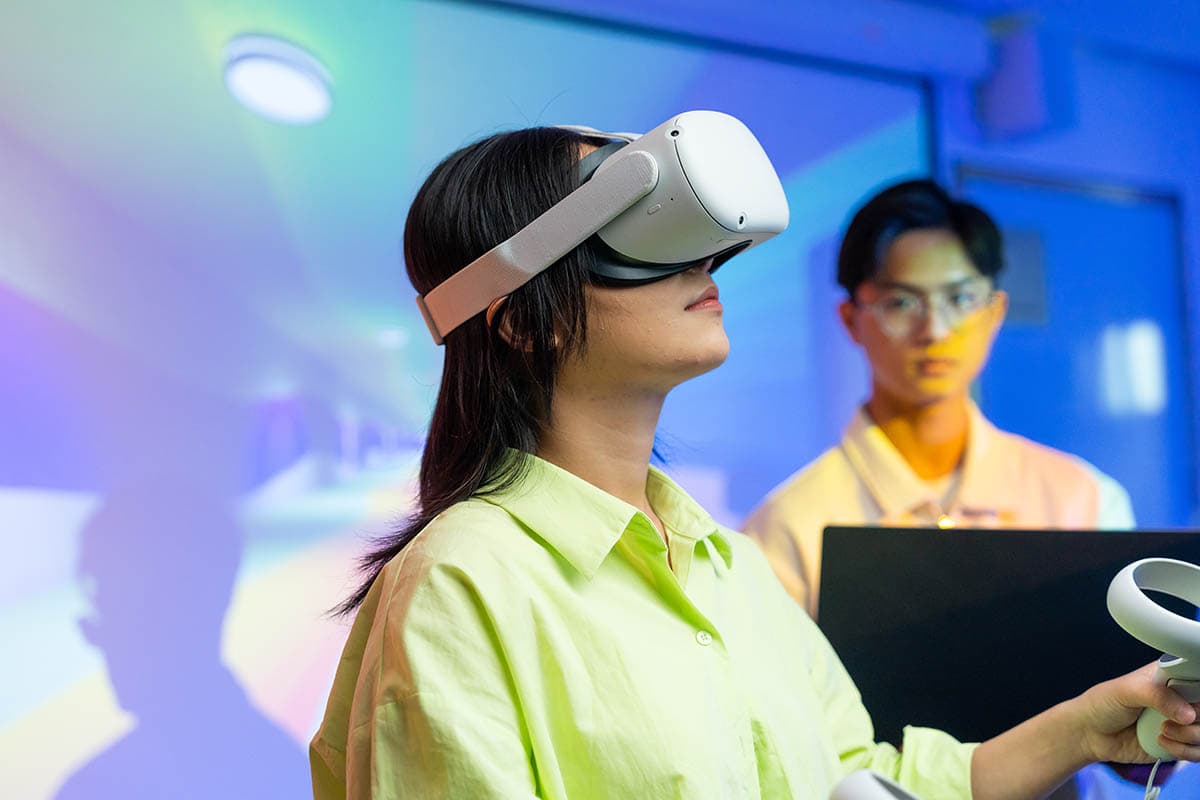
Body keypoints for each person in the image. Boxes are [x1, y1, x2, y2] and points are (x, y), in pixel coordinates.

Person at [309, 126, 1196, 800]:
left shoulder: (728, 567)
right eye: (631, 232)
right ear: (520, 319)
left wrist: (1088, 728)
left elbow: (860, 777)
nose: (702, 257)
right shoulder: (462, 582)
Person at [743, 179, 1135, 617]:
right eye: (901, 303)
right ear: (850, 319)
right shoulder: (786, 527)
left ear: (995, 312)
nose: (935, 330)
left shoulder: (1083, 500)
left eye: (960, 298)